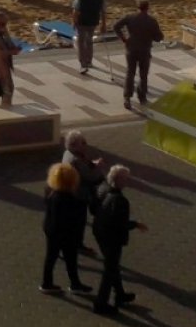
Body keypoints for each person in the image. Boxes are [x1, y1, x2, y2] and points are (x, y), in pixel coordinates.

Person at [91, 164, 146, 315]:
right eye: (126, 179)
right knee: (110, 269)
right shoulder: (120, 201)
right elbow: (120, 223)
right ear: (120, 180)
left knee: (113, 267)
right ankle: (100, 304)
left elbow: (93, 208)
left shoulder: (102, 189)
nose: (127, 182)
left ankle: (120, 294)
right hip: (111, 238)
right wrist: (135, 224)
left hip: (99, 231)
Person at [40, 162, 92, 295]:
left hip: (51, 229)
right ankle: (75, 284)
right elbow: (77, 220)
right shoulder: (71, 199)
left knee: (51, 257)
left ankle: (47, 283)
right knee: (71, 259)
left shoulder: (50, 191)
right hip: (67, 233)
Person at [112, 0, 164, 109]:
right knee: (143, 75)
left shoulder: (130, 17)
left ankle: (127, 98)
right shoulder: (151, 21)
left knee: (130, 73)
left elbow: (116, 26)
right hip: (144, 50)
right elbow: (159, 37)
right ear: (147, 8)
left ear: (138, 7)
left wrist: (123, 39)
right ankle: (142, 97)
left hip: (131, 48)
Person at [61, 131, 106, 214]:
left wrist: (93, 164)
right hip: (82, 191)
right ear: (74, 145)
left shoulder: (70, 152)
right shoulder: (74, 159)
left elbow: (85, 165)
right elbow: (90, 177)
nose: (85, 144)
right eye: (83, 142)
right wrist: (98, 168)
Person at [73, 0, 104, 74]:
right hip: (93, 21)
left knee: (81, 42)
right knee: (89, 41)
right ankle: (89, 61)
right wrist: (103, 23)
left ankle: (83, 64)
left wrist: (74, 21)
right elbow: (103, 10)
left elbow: (76, 9)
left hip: (82, 21)